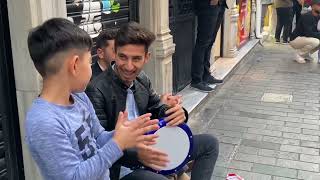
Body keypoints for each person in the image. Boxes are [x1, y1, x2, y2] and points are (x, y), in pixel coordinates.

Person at [25, 18, 162, 180]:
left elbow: (98, 138)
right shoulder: (43, 122)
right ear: (75, 65)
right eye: (90, 61)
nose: (92, 69)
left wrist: (119, 134)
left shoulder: (79, 97)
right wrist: (118, 144)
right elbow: (73, 177)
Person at [86, 22, 219, 180]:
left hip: (151, 147)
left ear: (146, 58)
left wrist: (176, 113)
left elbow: (157, 109)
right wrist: (138, 154)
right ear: (114, 53)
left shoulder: (142, 79)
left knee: (210, 144)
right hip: (123, 167)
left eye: (136, 59)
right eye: (123, 57)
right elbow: (98, 144)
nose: (129, 66)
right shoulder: (96, 89)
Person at [190, 0, 228, 92]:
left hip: (220, 4)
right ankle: (196, 80)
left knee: (210, 42)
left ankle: (206, 75)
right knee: (202, 43)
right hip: (207, 5)